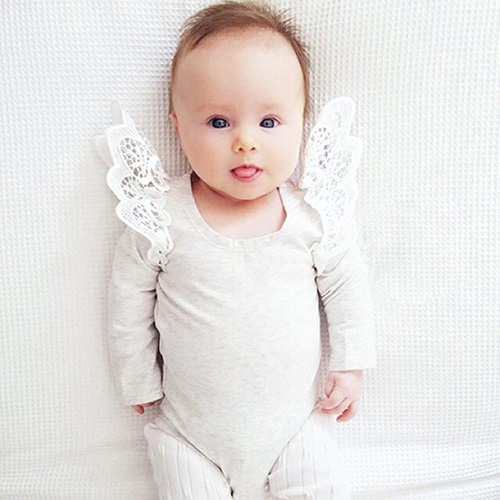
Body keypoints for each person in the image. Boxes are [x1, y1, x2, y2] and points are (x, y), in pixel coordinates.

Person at [99, 1, 377, 498]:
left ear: (301, 125)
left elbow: (347, 286)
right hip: (189, 433)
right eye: (218, 122)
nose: (246, 142)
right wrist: (136, 375)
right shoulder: (162, 218)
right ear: (178, 126)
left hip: (295, 426)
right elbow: (128, 299)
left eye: (269, 122)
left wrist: (349, 365)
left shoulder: (310, 217)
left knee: (317, 486)